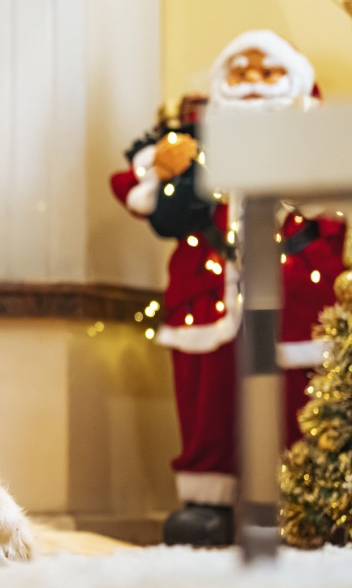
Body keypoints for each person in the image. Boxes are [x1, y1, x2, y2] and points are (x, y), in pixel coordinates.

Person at [110, 30, 346, 547]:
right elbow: (134, 189)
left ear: (295, 80)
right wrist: (164, 165)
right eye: (242, 72)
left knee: (297, 401)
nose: (255, 84)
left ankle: (298, 499)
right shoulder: (194, 140)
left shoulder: (319, 135)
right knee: (207, 400)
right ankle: (208, 503)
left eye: (268, 72)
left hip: (297, 296)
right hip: (208, 296)